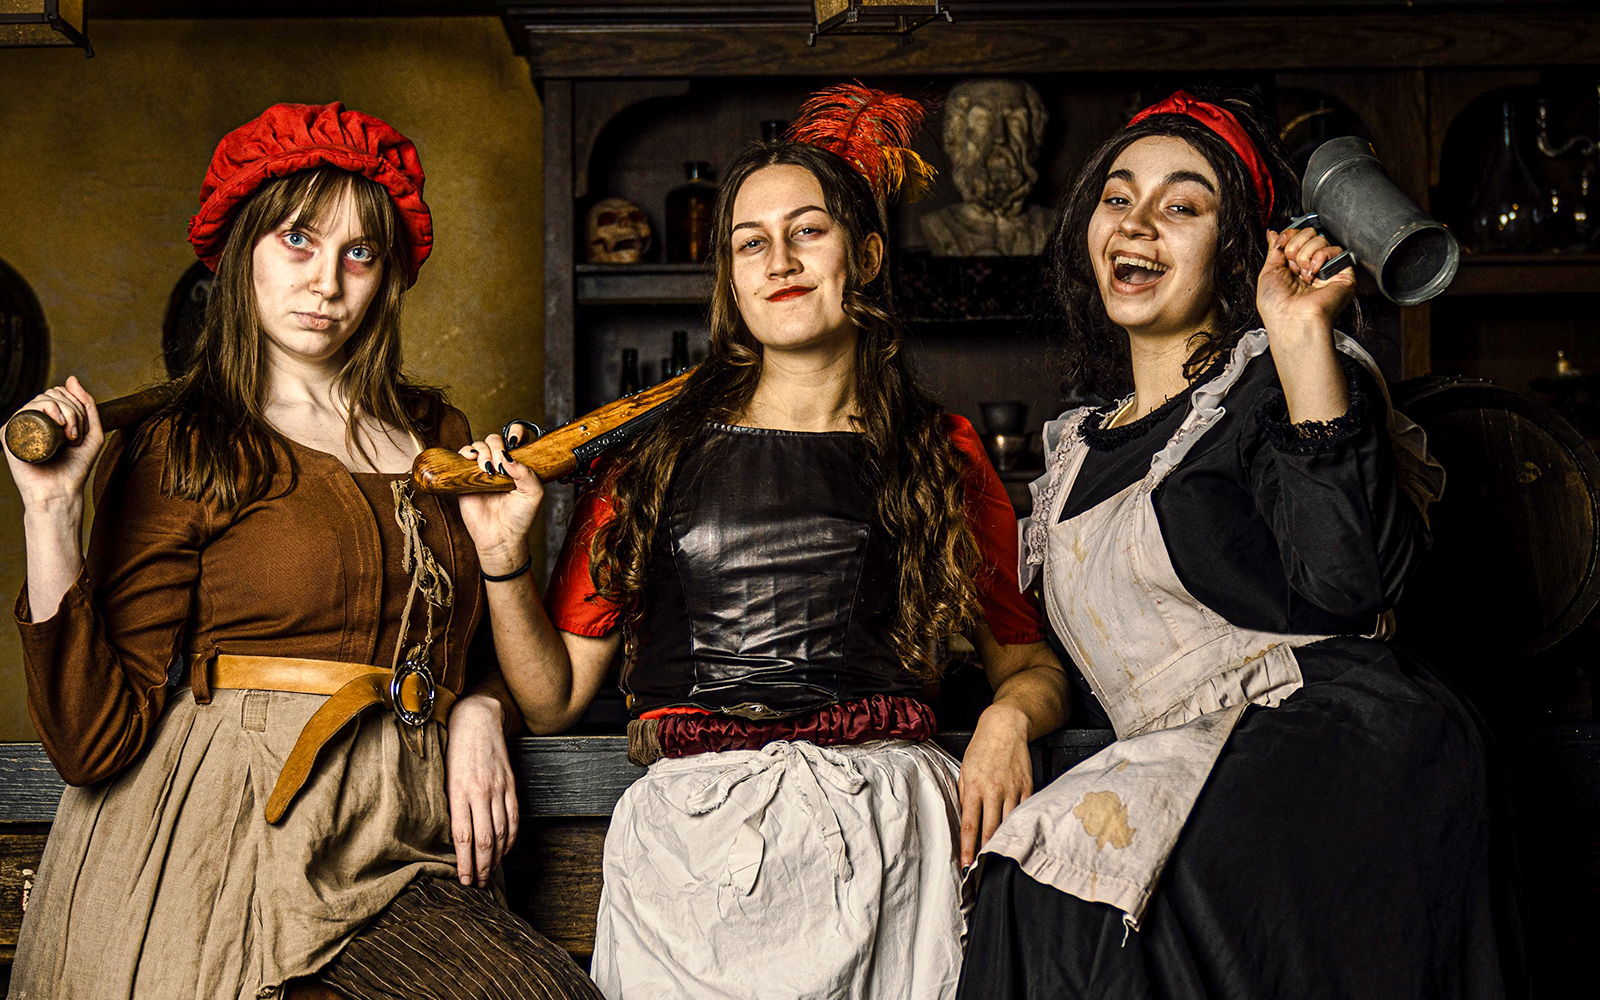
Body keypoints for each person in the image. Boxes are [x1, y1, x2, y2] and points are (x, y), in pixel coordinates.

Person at [466, 85, 1068, 1000]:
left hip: (889, 840)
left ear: (864, 256)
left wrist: (1006, 719)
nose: (779, 260)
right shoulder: (649, 459)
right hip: (692, 853)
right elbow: (551, 700)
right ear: (731, 277)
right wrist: (505, 559)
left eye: (808, 232)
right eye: (751, 241)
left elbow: (1031, 664)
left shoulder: (940, 453)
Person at [4, 103, 600, 1000]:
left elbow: (469, 650)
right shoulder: (184, 442)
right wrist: (51, 513)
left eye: (358, 253)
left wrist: (480, 709)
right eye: (297, 240)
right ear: (242, 248)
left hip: (407, 829)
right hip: (229, 843)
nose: (326, 280)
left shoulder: (439, 440)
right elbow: (93, 742)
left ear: (387, 277)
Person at [957, 90, 1521, 999]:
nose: (1137, 222)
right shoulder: (1074, 453)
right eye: (1118, 196)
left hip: (1335, 746)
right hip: (1181, 763)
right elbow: (1049, 661)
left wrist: (1302, 340)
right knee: (1034, 881)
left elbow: (1354, 589)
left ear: (1234, 249)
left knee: (1058, 883)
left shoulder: (1272, 382)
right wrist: (1009, 713)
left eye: (1182, 205)